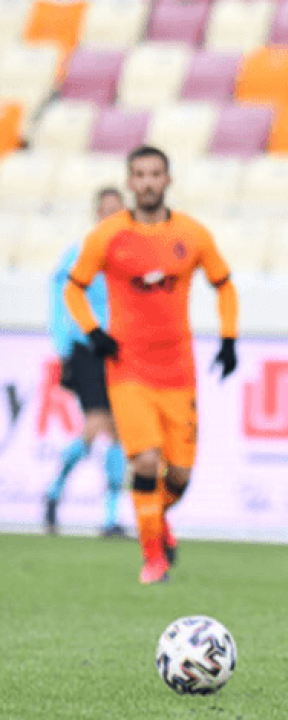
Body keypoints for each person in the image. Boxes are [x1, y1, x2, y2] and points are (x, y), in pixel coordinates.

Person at [65, 146, 239, 585]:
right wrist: (93, 332)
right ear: (130, 181)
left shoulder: (192, 234)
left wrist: (229, 339)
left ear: (168, 179)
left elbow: (224, 284)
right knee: (145, 462)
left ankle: (155, 520)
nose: (147, 182)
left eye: (155, 174)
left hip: (179, 373)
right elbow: (73, 288)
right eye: (139, 174)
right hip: (128, 370)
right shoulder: (107, 236)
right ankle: (152, 559)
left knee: (179, 475)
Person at [44, 187, 128, 537]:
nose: (111, 215)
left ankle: (110, 517)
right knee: (95, 424)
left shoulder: (130, 254)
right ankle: (54, 490)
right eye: (106, 209)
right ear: (97, 213)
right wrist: (63, 347)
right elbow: (60, 297)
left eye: (117, 209)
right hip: (87, 348)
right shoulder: (80, 253)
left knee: (121, 431)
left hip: (120, 350)